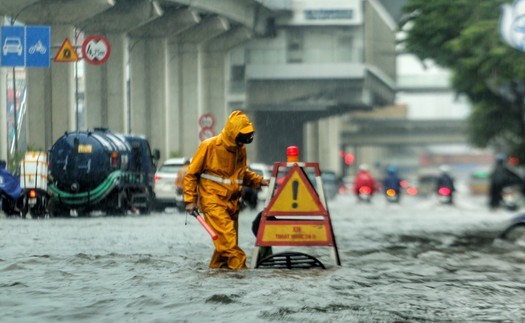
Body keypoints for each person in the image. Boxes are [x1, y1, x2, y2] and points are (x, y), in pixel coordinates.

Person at [184, 110, 269, 270]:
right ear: (232, 132)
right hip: (213, 202)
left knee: (224, 249)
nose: (247, 139)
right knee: (230, 246)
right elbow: (191, 174)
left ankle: (217, 276)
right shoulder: (209, 146)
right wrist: (190, 200)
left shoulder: (240, 149)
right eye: (243, 135)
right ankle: (242, 278)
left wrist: (261, 181)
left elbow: (241, 174)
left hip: (232, 203)